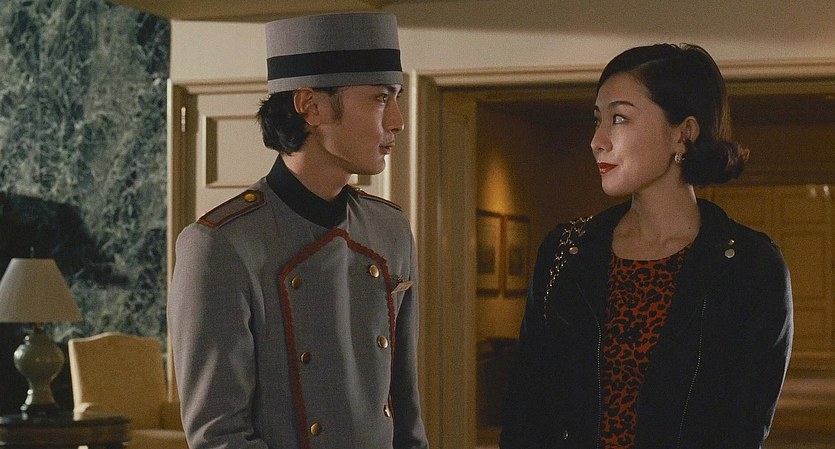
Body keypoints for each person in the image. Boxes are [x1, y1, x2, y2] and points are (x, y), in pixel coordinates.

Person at [500, 43, 793, 449]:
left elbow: (742, 429)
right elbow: (525, 413)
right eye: (597, 120)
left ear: (684, 134)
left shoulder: (751, 267)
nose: (597, 140)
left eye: (619, 118)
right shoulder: (565, 251)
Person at [168, 12, 428, 449]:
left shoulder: (390, 230)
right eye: (381, 98)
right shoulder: (219, 245)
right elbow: (220, 437)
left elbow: (404, 410)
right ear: (310, 106)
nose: (398, 120)